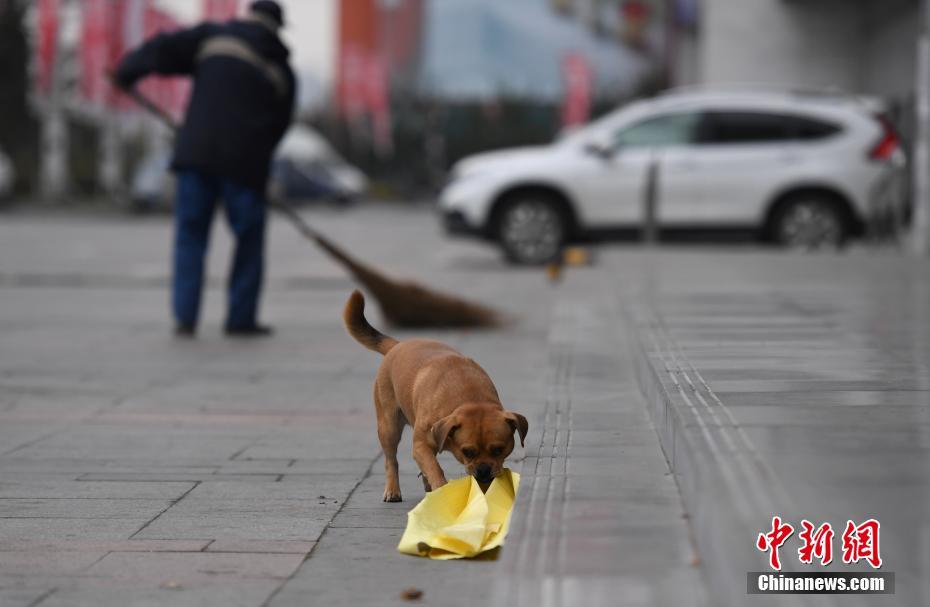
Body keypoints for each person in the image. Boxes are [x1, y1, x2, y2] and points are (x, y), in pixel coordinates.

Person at [115, 1, 295, 338]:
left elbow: (162, 47)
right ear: (278, 27)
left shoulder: (213, 36)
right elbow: (279, 127)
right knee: (248, 240)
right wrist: (260, 163)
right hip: (244, 164)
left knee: (191, 237)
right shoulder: (281, 67)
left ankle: (185, 318)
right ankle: (240, 319)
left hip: (196, 154)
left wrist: (128, 70)